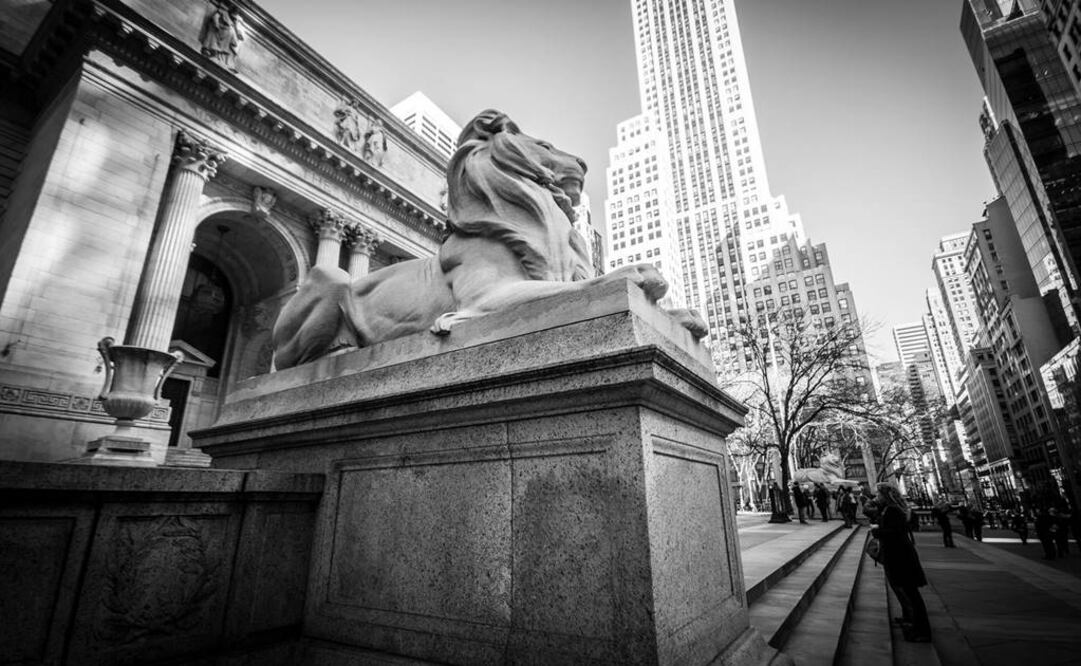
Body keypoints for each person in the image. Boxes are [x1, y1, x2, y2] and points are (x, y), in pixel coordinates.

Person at [871, 483, 932, 642]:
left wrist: (877, 531)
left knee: (911, 594)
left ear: (886, 495)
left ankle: (922, 631)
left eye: (878, 494)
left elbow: (896, 532)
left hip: (901, 557)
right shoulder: (891, 509)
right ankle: (912, 622)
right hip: (898, 555)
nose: (876, 497)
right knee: (908, 592)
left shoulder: (893, 510)